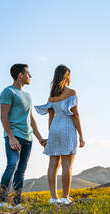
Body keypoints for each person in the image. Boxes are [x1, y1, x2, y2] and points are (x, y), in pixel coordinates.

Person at [0, 64, 47, 209]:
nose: (30, 76)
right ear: (20, 75)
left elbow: (31, 119)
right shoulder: (8, 92)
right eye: (28, 74)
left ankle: (16, 203)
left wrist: (39, 138)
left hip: (28, 138)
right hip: (14, 136)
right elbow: (3, 116)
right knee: (12, 165)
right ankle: (1, 202)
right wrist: (11, 137)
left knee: (21, 170)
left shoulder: (28, 95)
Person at [35, 65, 85, 205]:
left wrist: (50, 134)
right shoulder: (71, 92)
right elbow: (75, 115)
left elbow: (50, 117)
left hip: (54, 129)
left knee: (53, 164)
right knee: (67, 165)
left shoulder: (52, 95)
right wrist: (81, 135)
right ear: (66, 76)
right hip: (67, 128)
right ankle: (65, 197)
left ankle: (53, 197)